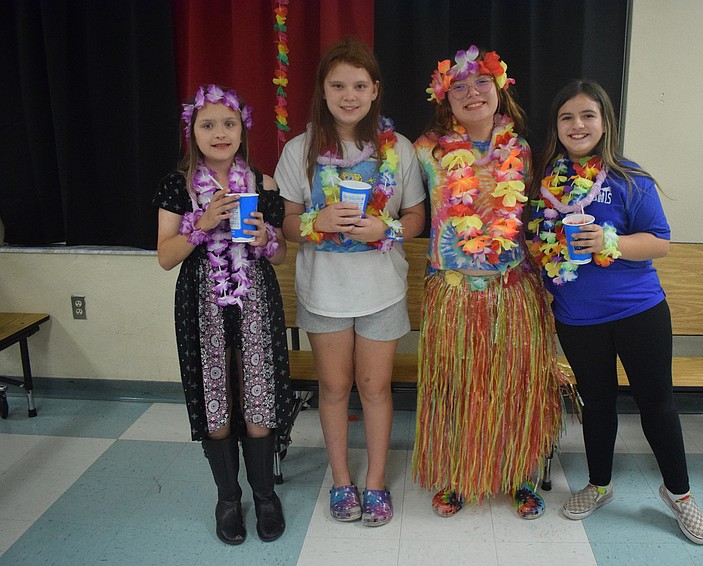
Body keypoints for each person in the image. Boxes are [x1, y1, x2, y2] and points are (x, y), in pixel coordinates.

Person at [528, 79, 703, 544]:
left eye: (588, 115)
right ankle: (599, 484)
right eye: (567, 117)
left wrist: (610, 242)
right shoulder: (546, 182)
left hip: (638, 312)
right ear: (557, 126)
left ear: (605, 122)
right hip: (577, 317)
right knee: (598, 404)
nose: (577, 124)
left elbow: (659, 242)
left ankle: (681, 494)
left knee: (657, 403)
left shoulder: (631, 178)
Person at [274, 39, 426, 528]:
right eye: (337, 85)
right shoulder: (300, 150)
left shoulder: (397, 148)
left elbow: (417, 214)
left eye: (359, 85)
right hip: (324, 291)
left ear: (375, 90)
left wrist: (390, 228)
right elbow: (287, 223)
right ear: (322, 90)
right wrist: (319, 223)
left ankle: (376, 481)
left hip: (382, 290)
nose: (348, 95)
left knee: (375, 387)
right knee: (335, 388)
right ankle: (342, 481)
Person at [411, 45, 563, 520]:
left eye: (480, 84)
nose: (471, 93)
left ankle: (518, 472)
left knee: (514, 386)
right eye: (459, 86)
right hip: (452, 292)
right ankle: (457, 474)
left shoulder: (522, 151)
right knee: (456, 387)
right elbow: (410, 212)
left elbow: (540, 221)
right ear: (445, 98)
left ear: (499, 91)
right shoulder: (425, 152)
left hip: (512, 291)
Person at [154, 84, 297, 545]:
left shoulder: (263, 182)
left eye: (229, 124)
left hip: (256, 298)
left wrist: (264, 241)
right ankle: (228, 498)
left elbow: (279, 254)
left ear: (243, 130)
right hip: (202, 303)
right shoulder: (177, 185)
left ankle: (265, 495)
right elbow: (165, 256)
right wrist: (201, 224)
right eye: (208, 124)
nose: (219, 133)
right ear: (192, 131)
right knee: (216, 398)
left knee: (257, 392)